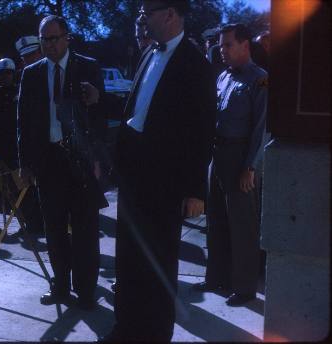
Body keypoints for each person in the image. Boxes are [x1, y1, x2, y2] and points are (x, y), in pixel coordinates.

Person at [102, 0, 216, 341]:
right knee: (128, 260)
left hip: (164, 182)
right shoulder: (148, 54)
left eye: (146, 12)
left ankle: (155, 334)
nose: (141, 18)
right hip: (132, 177)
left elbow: (202, 130)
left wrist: (196, 190)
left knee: (159, 265)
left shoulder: (196, 65)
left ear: (169, 14)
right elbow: (133, 112)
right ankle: (125, 328)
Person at [17, 15, 108, 309]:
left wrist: (97, 100)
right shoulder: (31, 74)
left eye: (54, 38)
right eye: (44, 39)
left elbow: (102, 120)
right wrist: (25, 163)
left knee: (85, 231)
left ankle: (86, 292)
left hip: (81, 163)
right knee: (53, 229)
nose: (49, 45)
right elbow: (24, 123)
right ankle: (60, 286)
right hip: (48, 161)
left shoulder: (88, 67)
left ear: (67, 37)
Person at [193, 23, 268, 307]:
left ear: (245, 45)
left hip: (240, 159)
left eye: (227, 45)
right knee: (216, 222)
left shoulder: (259, 79)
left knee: (242, 226)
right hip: (217, 155)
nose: (221, 50)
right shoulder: (223, 77)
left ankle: (245, 287)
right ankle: (216, 277)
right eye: (220, 45)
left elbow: (262, 128)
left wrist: (250, 167)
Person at [0, 57, 45, 235]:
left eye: (8, 73)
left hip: (18, 147)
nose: (5, 77)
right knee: (11, 190)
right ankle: (24, 221)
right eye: (2, 74)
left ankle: (35, 223)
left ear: (14, 74)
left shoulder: (20, 93)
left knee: (26, 188)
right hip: (3, 148)